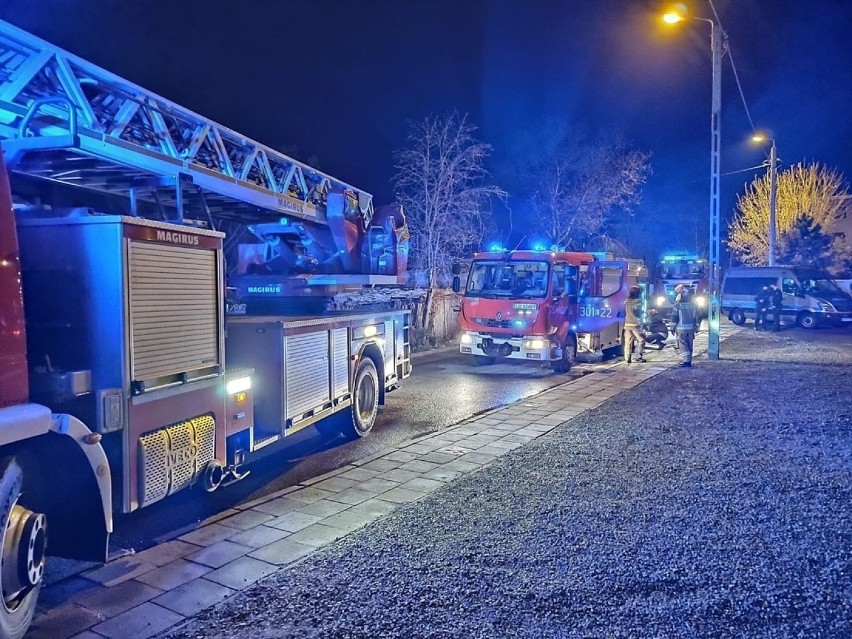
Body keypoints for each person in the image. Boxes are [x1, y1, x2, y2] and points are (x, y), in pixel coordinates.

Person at [671, 285, 698, 368]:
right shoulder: (694, 305)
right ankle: (689, 360)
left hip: (681, 329)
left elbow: (674, 318)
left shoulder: (677, 305)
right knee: (690, 345)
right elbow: (698, 317)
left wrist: (672, 328)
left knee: (683, 345)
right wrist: (697, 327)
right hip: (691, 329)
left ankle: (686, 361)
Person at [623, 285, 646, 363]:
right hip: (636, 324)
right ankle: (638, 357)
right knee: (641, 340)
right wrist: (642, 313)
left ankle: (627, 358)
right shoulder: (638, 301)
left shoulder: (626, 301)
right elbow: (637, 311)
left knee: (628, 342)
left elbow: (623, 312)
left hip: (627, 324)